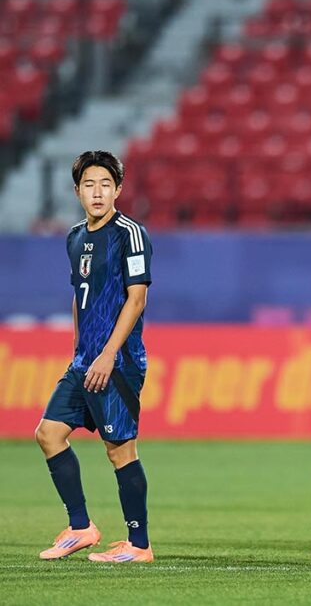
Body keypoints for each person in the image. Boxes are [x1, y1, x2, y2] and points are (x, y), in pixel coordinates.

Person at [35, 151, 155, 563]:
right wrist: (79, 349)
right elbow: (79, 295)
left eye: (106, 184)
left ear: (118, 189)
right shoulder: (74, 237)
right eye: (89, 185)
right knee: (49, 434)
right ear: (77, 192)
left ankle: (138, 545)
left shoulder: (130, 234)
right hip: (85, 361)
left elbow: (136, 300)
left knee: (120, 451)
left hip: (118, 363)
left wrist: (106, 354)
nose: (98, 192)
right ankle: (81, 527)